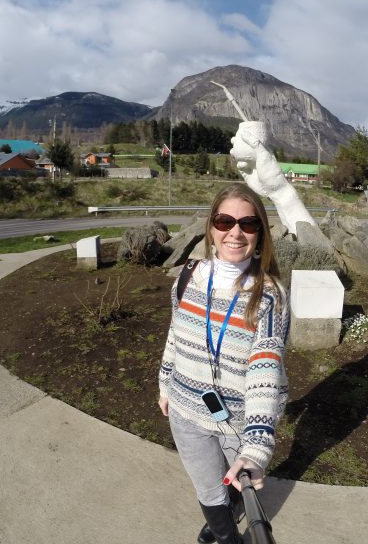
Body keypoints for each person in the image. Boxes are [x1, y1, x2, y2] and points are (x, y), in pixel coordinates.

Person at [158, 183, 290, 544]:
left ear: (260, 234)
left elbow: (266, 367)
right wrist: (165, 383)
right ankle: (226, 535)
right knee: (208, 490)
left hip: (238, 420)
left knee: (236, 478)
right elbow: (175, 334)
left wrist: (257, 444)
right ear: (211, 228)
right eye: (225, 221)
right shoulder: (188, 277)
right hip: (185, 411)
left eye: (248, 224)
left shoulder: (270, 296)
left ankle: (228, 515)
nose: (235, 232)